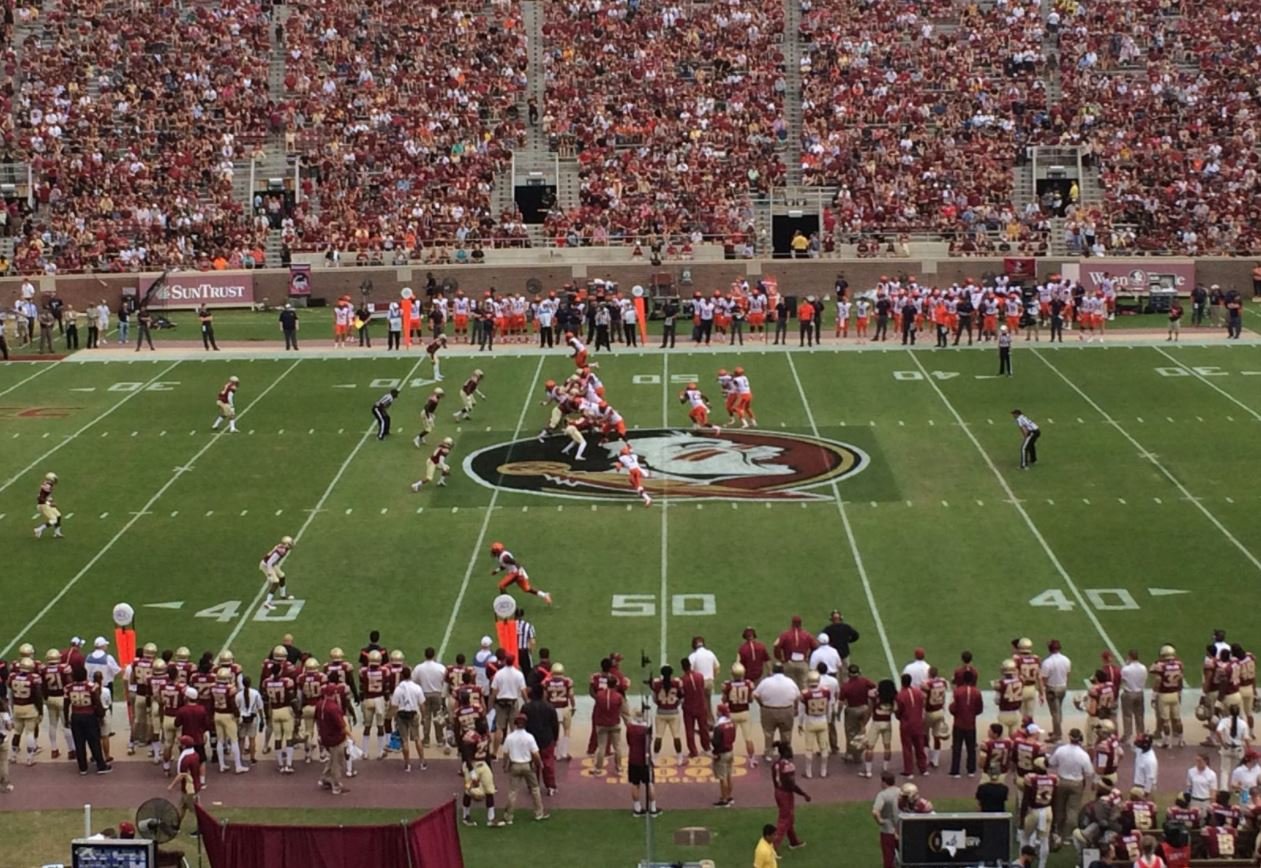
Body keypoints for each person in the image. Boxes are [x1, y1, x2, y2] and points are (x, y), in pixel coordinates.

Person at [502, 714, 549, 823]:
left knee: (513, 791)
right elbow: (535, 754)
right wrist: (540, 764)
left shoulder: (510, 737)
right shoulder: (529, 737)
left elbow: (505, 753)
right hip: (527, 765)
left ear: (515, 724)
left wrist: (505, 765)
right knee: (535, 789)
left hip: (515, 765)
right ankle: (539, 813)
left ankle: (509, 816)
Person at [66, 666, 111, 775]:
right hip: (89, 716)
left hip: (76, 715)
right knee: (94, 741)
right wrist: (100, 715)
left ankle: (82, 767)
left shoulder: (69, 687)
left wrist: (66, 718)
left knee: (79, 743)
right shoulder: (91, 686)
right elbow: (96, 701)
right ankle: (101, 765)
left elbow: (65, 704)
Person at [753, 664, 799, 761]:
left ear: (773, 671)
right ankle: (785, 754)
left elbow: (756, 695)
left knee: (768, 733)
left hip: (769, 710)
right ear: (783, 671)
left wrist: (761, 704)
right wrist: (796, 709)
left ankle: (768, 754)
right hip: (786, 710)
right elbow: (797, 696)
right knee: (786, 733)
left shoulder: (766, 682)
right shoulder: (790, 682)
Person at [771, 742, 810, 851]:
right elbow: (791, 784)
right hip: (786, 794)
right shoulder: (788, 766)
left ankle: (794, 841)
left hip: (778, 792)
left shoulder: (776, 764)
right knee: (784, 820)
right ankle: (773, 846)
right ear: (786, 751)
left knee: (789, 818)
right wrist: (804, 794)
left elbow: (775, 780)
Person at [521, 685, 559, 795]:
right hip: (547, 739)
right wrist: (555, 738)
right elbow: (555, 725)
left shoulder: (525, 707)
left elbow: (522, 723)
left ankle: (533, 786)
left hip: (531, 740)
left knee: (532, 764)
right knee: (548, 764)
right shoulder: (550, 707)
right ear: (542, 693)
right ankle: (551, 786)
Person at [315, 684, 350, 795]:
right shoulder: (333, 708)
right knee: (337, 763)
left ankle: (324, 778)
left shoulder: (320, 704)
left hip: (325, 737)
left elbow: (317, 720)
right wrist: (351, 737)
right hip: (336, 738)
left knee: (332, 759)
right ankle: (336, 786)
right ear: (334, 694)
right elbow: (342, 726)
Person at [390, 669, 426, 772]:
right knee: (417, 738)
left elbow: (394, 705)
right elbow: (422, 704)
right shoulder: (417, 688)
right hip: (413, 714)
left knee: (404, 740)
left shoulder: (398, 689)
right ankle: (422, 762)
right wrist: (424, 716)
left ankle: (407, 764)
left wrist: (392, 717)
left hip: (401, 716)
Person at [949, 669, 983, 777]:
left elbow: (953, 707)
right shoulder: (977, 692)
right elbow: (979, 708)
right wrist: (972, 714)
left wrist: (955, 712)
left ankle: (955, 770)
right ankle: (971, 770)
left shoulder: (957, 691)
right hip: (971, 724)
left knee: (957, 748)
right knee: (971, 748)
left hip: (958, 723)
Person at [168, 735, 202, 831]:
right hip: (193, 785)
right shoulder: (195, 755)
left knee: (196, 810)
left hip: (189, 788)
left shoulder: (186, 759)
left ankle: (201, 828)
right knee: (181, 807)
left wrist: (172, 785)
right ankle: (176, 825)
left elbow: (182, 774)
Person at [872, 771, 901, 868]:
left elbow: (875, 811)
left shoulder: (882, 795)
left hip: (887, 830)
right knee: (906, 855)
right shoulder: (900, 791)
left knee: (888, 858)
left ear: (884, 782)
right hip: (901, 829)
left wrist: (880, 821)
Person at [260, 535, 294, 610]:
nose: (292, 543)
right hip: (266, 565)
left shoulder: (283, 548)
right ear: (286, 544)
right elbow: (269, 562)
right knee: (276, 582)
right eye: (290, 542)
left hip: (273, 563)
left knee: (282, 575)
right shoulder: (281, 550)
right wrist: (269, 573)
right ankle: (267, 603)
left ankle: (283, 595)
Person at [712, 703, 736, 805]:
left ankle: (724, 799)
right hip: (730, 751)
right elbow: (733, 738)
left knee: (722, 778)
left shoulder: (719, 727)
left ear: (720, 712)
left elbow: (716, 743)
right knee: (729, 775)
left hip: (721, 754)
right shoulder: (732, 723)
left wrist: (715, 754)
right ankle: (730, 797)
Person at [34, 471, 63, 539]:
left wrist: (51, 501)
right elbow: (40, 498)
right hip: (43, 505)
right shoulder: (47, 486)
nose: (56, 480)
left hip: (45, 504)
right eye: (54, 479)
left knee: (58, 515)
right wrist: (49, 503)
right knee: (54, 520)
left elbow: (48, 496)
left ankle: (57, 533)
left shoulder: (49, 485)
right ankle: (38, 530)